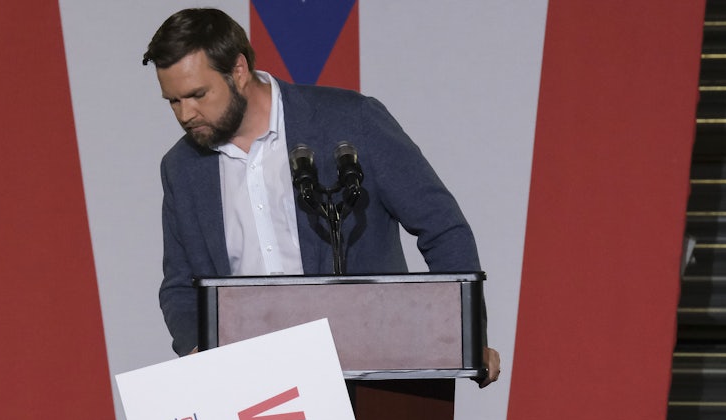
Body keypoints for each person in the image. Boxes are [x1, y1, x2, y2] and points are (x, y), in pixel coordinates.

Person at [143, 8, 500, 385]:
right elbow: (180, 285)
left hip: (370, 374)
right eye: (174, 101)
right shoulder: (181, 167)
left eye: (198, 94)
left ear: (239, 71)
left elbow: (441, 226)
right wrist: (197, 351)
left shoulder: (351, 120)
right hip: (257, 393)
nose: (186, 114)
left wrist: (465, 336)